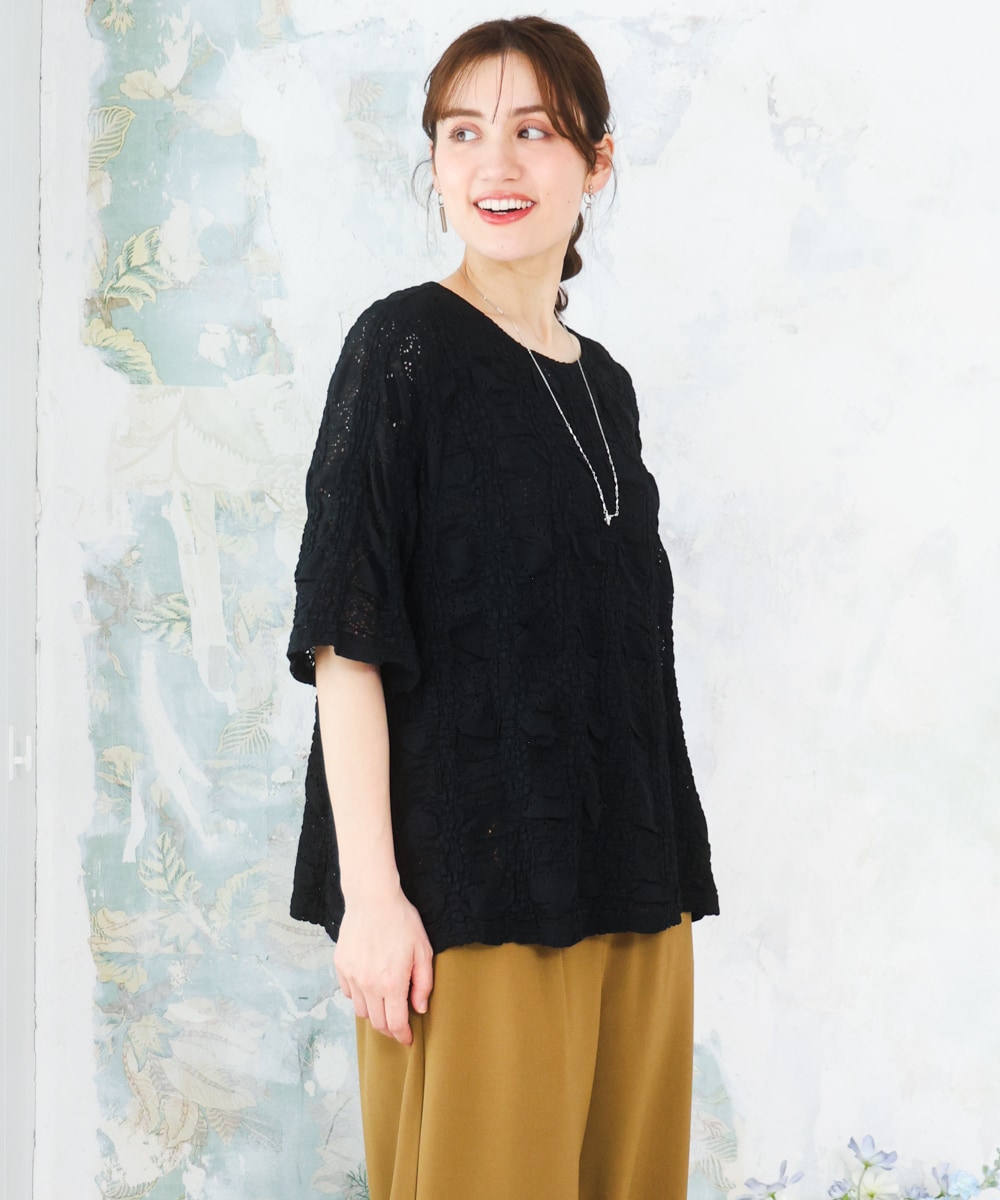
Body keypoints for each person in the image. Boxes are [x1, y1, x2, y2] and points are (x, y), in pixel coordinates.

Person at [287, 15, 719, 1200]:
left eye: (532, 131)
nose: (494, 164)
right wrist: (373, 899)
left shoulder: (605, 384)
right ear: (434, 162)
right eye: (462, 133)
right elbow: (345, 638)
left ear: (595, 161)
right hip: (471, 899)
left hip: (634, 887)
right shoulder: (402, 348)